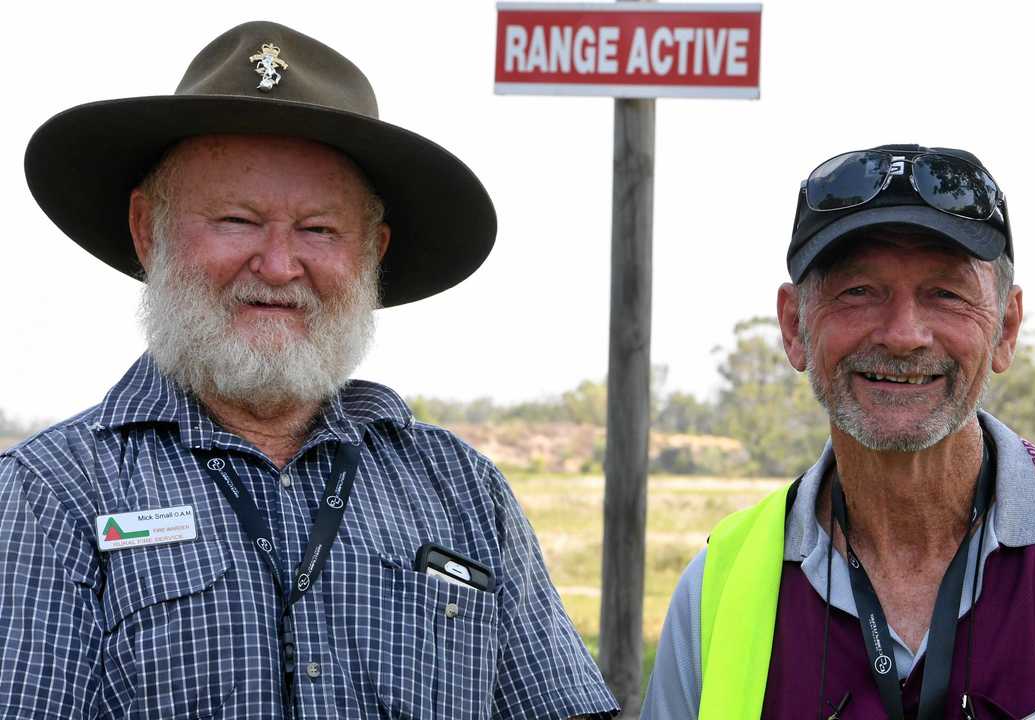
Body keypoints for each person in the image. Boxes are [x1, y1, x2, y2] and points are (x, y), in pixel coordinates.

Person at [0, 21, 617, 719]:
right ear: (150, 231)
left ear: (371, 254)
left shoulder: (465, 491)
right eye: (237, 219)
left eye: (320, 230)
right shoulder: (50, 498)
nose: (277, 264)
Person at [641, 144, 1035, 719]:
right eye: (859, 291)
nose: (902, 334)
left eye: (945, 294)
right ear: (793, 327)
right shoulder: (715, 592)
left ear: (1005, 327)